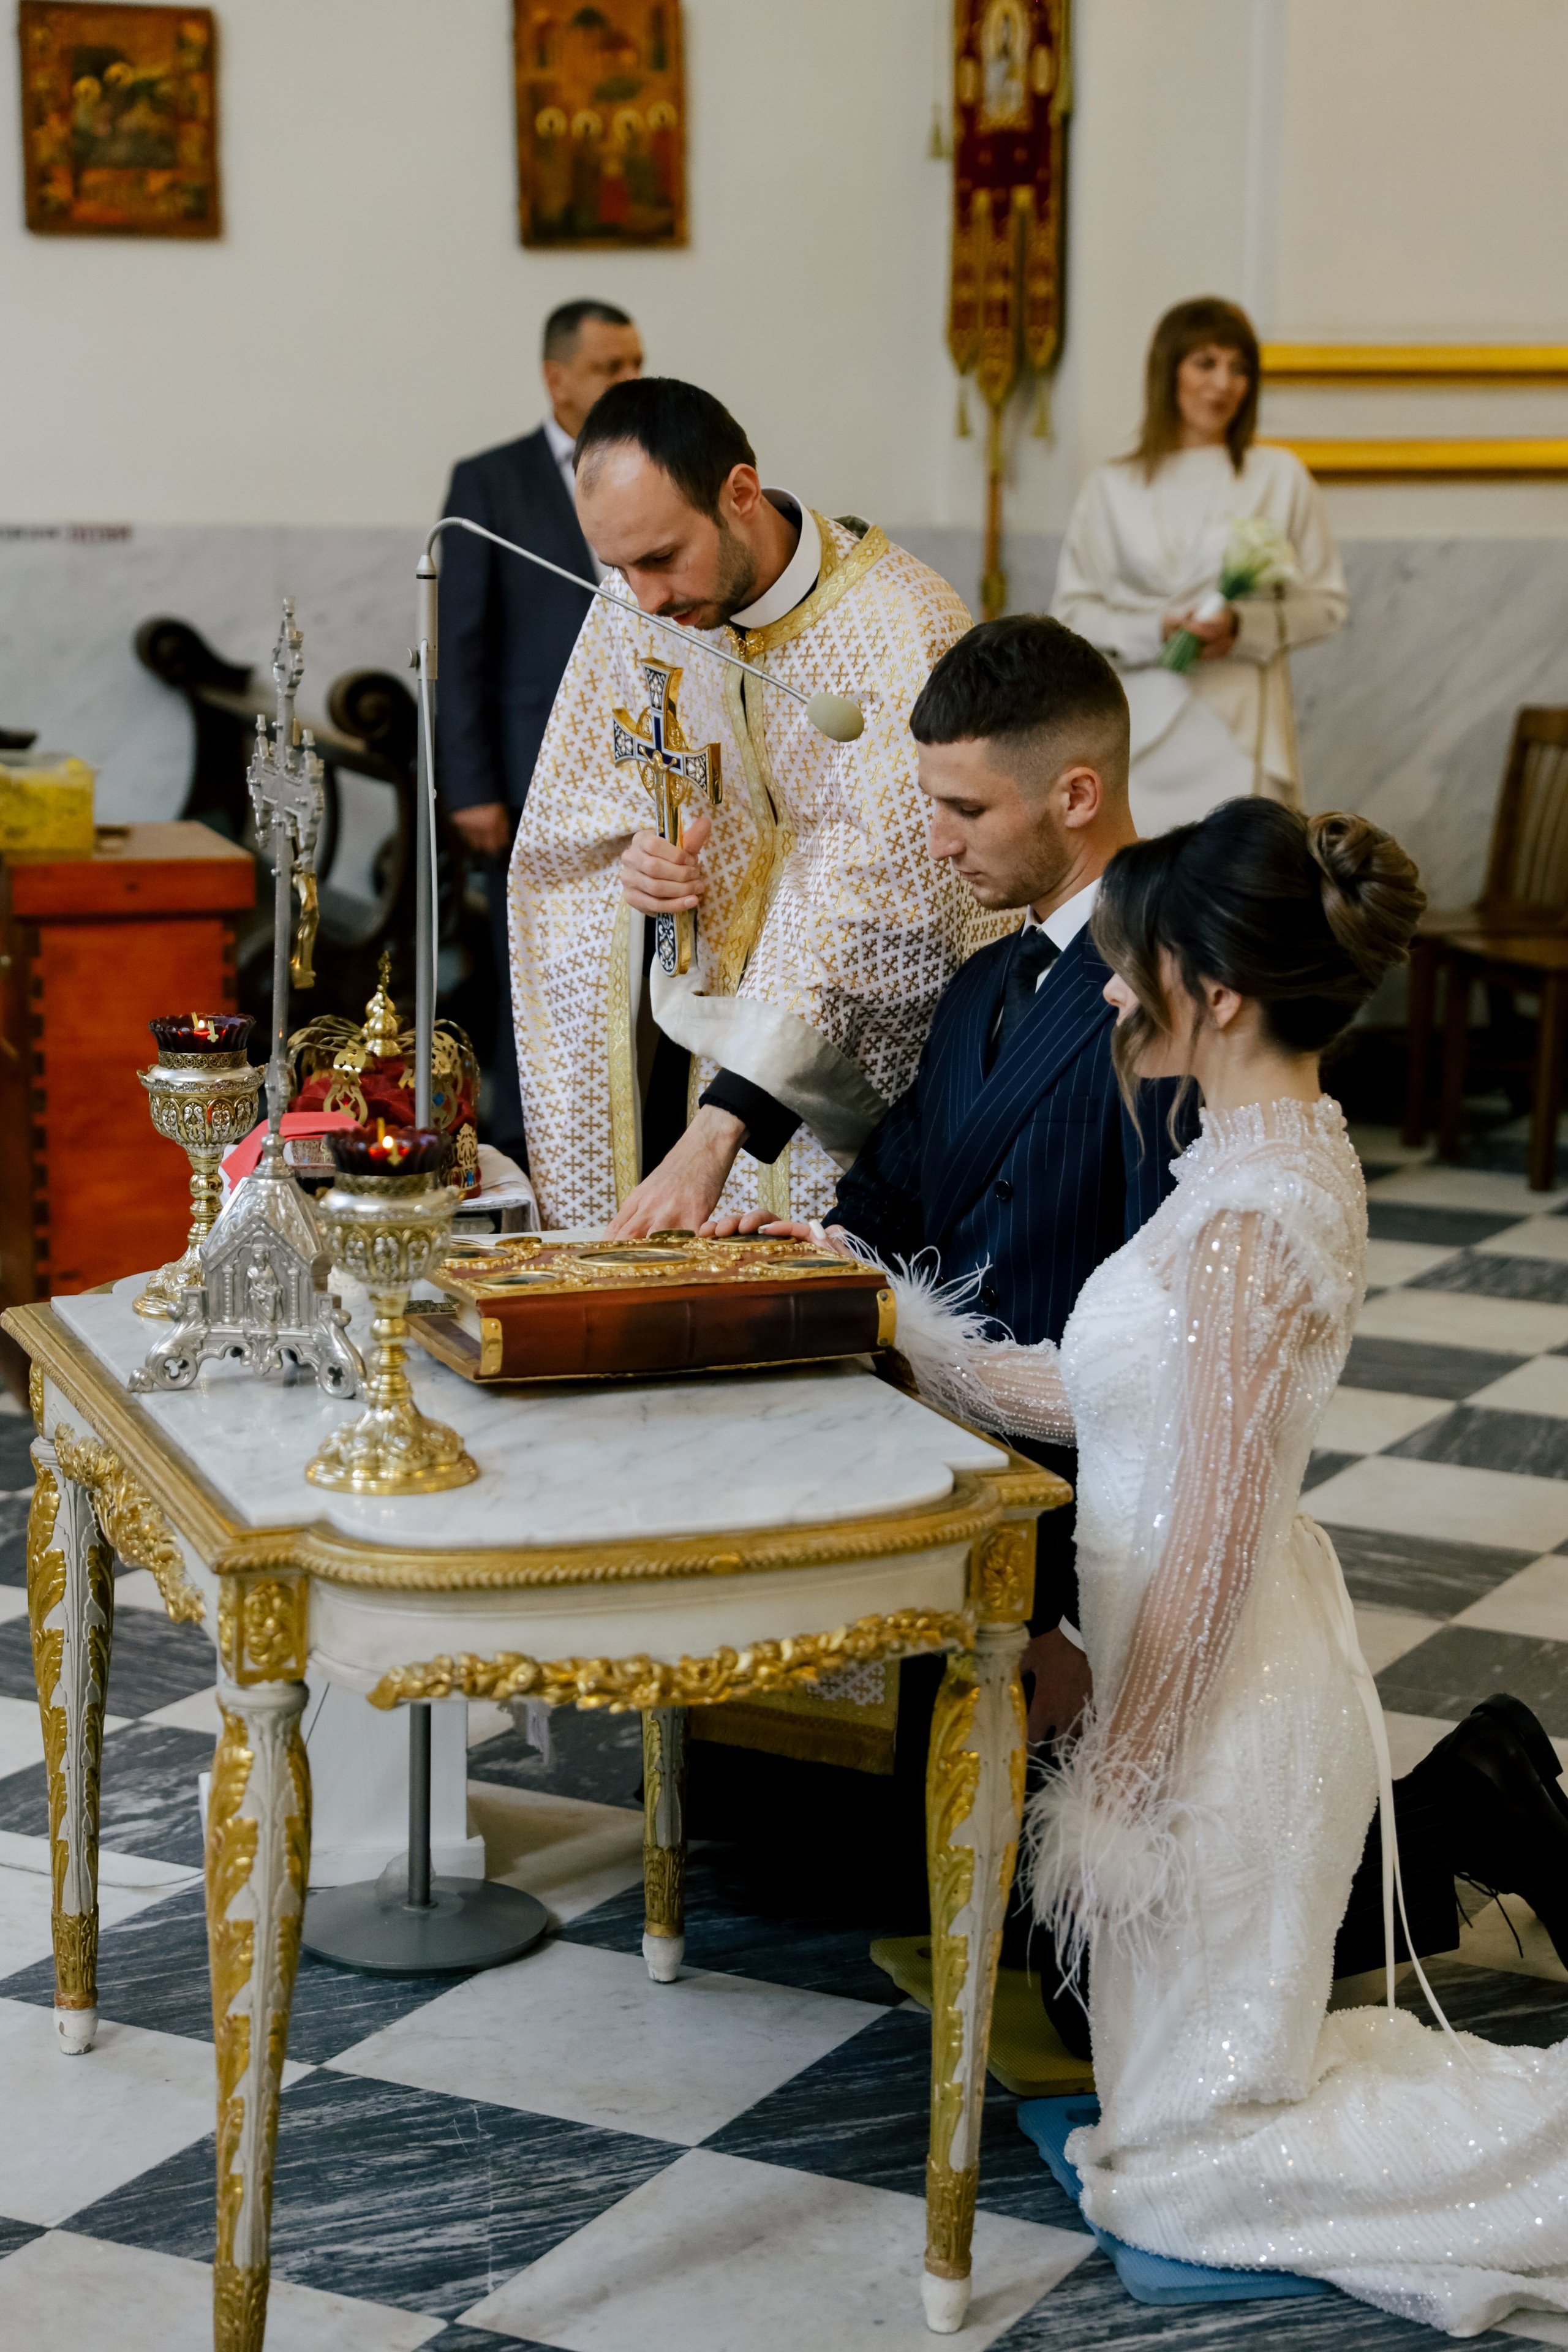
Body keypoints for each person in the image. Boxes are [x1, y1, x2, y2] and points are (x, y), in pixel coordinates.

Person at [895, 796, 1568, 2336]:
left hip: (1217, 1717)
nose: (1114, 993)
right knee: (1169, 2130)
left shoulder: (1247, 1225)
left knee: (1187, 2171)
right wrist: (899, 1333)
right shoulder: (1267, 1159)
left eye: (1132, 969)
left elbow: (1201, 1543)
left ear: (1217, 989)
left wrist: (1118, 1786)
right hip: (1197, 1670)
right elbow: (1100, 1389)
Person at [508, 375, 1003, 1235]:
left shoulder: (900, 628)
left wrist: (720, 1129)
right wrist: (639, 866)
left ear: (739, 493)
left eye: (661, 558)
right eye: (618, 567)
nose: (646, 598)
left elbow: (890, 894)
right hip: (695, 1056)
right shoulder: (636, 608)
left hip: (841, 1086)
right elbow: (573, 832)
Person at [436, 298, 644, 1161]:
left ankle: (626, 1131)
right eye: (610, 368)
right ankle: (525, 1137)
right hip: (527, 765)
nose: (632, 381)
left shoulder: (653, 464)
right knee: (530, 959)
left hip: (634, 760)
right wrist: (474, 783)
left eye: (637, 364)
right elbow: (461, 641)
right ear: (557, 379)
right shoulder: (491, 480)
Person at [1053, 296, 1346, 835]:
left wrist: (1242, 628)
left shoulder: (1281, 477)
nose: (1223, 384)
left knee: (1233, 891)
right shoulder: (1111, 487)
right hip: (1137, 731)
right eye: (1205, 363)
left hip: (1238, 727)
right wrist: (1153, 628)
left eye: (1239, 368)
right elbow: (1072, 610)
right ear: (1169, 370)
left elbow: (1326, 605)